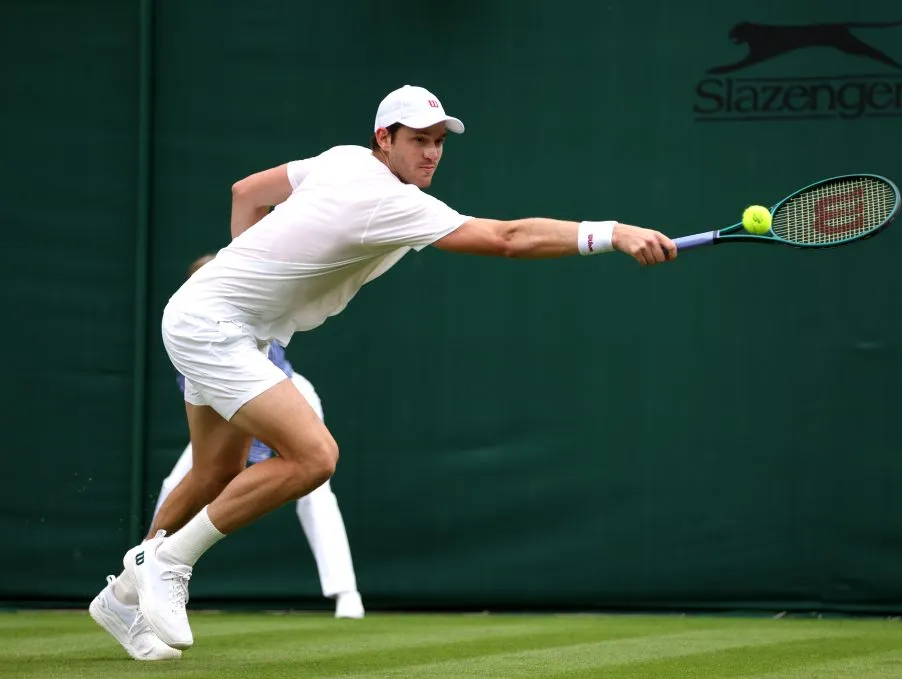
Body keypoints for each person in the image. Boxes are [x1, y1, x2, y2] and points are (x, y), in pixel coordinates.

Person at [92, 83, 678, 656]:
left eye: (438, 143)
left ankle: (121, 597)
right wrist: (613, 233)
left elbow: (246, 192)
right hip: (213, 328)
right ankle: (166, 561)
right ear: (384, 138)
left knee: (213, 472)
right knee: (315, 457)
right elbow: (506, 239)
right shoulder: (388, 199)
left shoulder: (340, 160)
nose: (430, 153)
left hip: (220, 318)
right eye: (418, 140)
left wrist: (247, 277)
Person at [152, 255, 365, 621]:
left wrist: (257, 451)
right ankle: (147, 573)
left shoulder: (247, 308)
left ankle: (347, 594)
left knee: (316, 486)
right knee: (180, 483)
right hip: (226, 406)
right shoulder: (189, 329)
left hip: (284, 398)